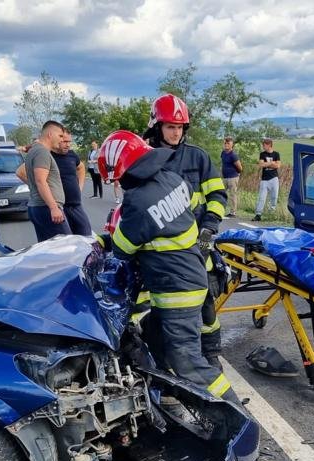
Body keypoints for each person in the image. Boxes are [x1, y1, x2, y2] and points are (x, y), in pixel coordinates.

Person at [98, 130, 237, 403]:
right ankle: (165, 394)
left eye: (117, 178)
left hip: (177, 292)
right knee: (151, 333)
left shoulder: (138, 201)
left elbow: (123, 250)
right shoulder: (172, 180)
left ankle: (235, 417)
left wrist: (104, 241)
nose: (120, 184)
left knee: (186, 360)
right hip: (193, 276)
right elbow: (168, 220)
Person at [143, 94, 227, 366]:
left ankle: (211, 354)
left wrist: (209, 227)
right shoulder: (146, 158)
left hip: (198, 241)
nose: (176, 132)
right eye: (170, 126)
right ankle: (161, 356)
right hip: (161, 245)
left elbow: (217, 195)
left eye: (179, 127)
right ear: (157, 127)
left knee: (204, 299)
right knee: (160, 300)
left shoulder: (198, 157)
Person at [16, 120, 70, 242]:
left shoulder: (34, 150)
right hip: (46, 208)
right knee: (66, 247)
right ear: (50, 134)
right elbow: (40, 180)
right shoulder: (42, 152)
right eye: (60, 136)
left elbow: (27, 176)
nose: (62, 140)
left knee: (48, 251)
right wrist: (53, 208)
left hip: (39, 206)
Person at [52, 130, 93, 237]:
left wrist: (80, 187)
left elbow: (81, 167)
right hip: (60, 207)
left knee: (86, 235)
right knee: (66, 241)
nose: (68, 145)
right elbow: (22, 172)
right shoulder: (47, 156)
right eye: (65, 141)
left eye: (69, 142)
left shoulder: (72, 155)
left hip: (76, 205)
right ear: (57, 139)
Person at [253, 137, 281, 221]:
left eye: (264, 145)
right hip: (264, 179)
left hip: (274, 178)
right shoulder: (262, 154)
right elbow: (261, 165)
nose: (263, 147)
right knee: (262, 197)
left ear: (269, 145)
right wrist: (272, 163)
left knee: (274, 197)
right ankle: (258, 214)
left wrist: (267, 164)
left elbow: (278, 165)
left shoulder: (276, 154)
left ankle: (271, 214)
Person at [221, 136, 243, 217]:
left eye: (228, 143)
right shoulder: (223, 153)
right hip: (225, 177)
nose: (226, 144)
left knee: (232, 195)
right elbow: (223, 164)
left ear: (232, 144)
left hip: (233, 177)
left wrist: (237, 174)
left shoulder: (233, 155)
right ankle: (221, 209)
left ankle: (233, 212)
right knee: (222, 193)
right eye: (225, 143)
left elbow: (240, 167)